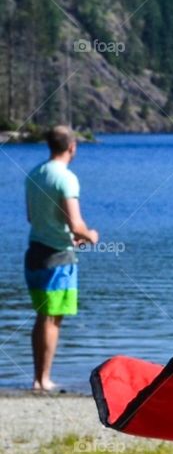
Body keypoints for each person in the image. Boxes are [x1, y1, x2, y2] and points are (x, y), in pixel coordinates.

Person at [24, 125, 98, 391]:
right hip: (56, 258)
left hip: (34, 253)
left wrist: (69, 234)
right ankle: (42, 380)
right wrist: (90, 235)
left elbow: (32, 218)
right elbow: (76, 224)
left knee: (43, 315)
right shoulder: (66, 178)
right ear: (72, 147)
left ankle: (38, 377)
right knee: (51, 317)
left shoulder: (34, 174)